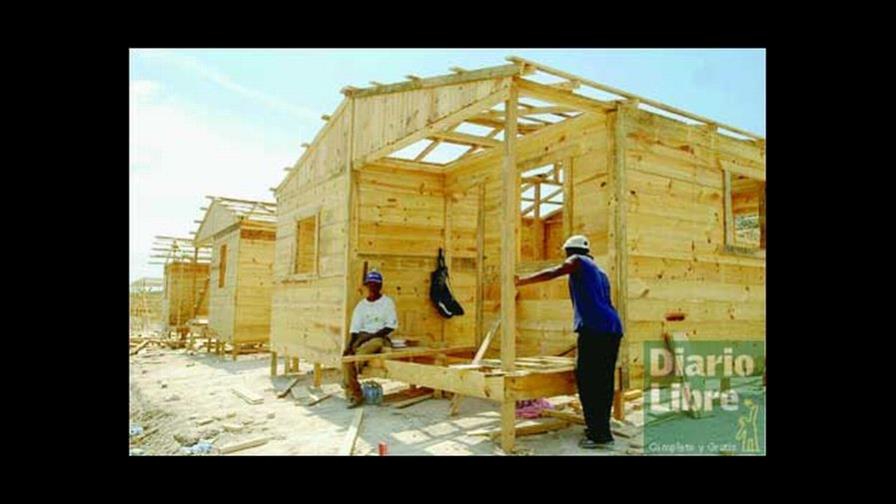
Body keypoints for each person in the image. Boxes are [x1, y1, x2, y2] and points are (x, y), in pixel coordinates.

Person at [514, 235, 623, 449]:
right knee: (603, 381)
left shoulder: (578, 262)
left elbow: (554, 272)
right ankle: (599, 428)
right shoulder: (599, 271)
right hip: (611, 329)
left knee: (588, 381)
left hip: (595, 329)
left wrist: (522, 281)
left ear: (570, 252)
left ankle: (600, 437)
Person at [342, 270, 398, 408]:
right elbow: (355, 329)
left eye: (376, 285)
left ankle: (348, 381)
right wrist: (349, 346)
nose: (373, 287)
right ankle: (355, 394)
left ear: (380, 286)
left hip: (379, 337)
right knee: (347, 358)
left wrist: (370, 336)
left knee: (361, 353)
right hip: (362, 337)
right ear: (366, 286)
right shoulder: (362, 306)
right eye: (370, 285)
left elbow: (391, 326)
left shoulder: (387, 302)